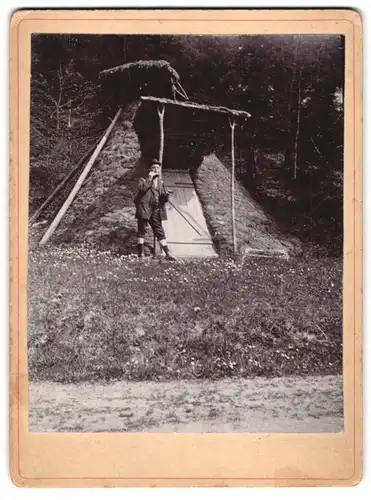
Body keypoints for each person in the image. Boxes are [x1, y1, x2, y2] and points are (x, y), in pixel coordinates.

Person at [134, 160, 176, 260]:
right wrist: (149, 178)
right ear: (150, 169)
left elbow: (162, 199)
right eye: (153, 168)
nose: (156, 169)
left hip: (156, 210)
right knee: (141, 231)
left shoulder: (160, 182)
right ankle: (141, 254)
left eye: (157, 168)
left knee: (159, 231)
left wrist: (166, 196)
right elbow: (142, 189)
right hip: (145, 208)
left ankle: (168, 253)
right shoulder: (143, 180)